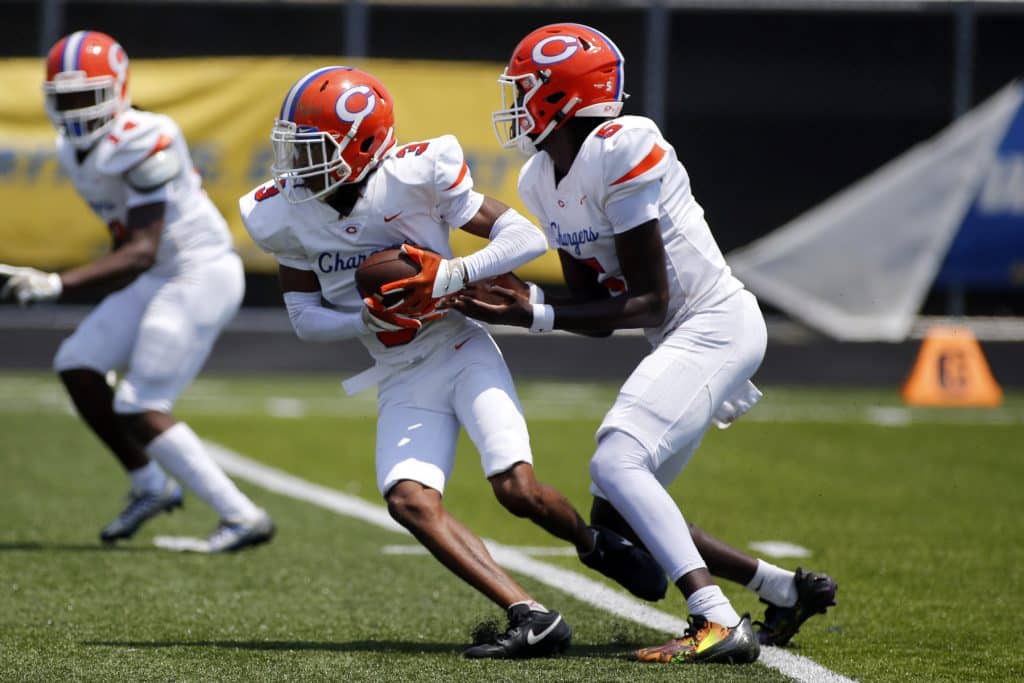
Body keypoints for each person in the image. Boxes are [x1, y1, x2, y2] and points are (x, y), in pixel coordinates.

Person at [239, 65, 663, 659]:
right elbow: (305, 316)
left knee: (516, 490)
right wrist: (368, 320)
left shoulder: (416, 172)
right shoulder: (283, 213)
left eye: (314, 148)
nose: (297, 164)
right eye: (294, 147)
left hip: (460, 349)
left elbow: (524, 239)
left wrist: (450, 274)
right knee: (409, 501)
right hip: (399, 371)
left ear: (363, 144)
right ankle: (531, 615)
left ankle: (590, 541)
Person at [446, 23, 837, 663]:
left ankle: (714, 620)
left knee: (616, 460)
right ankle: (784, 589)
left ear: (562, 94)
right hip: (679, 333)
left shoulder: (623, 144)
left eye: (526, 89)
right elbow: (597, 313)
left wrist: (533, 311)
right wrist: (524, 306)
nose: (515, 104)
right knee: (620, 515)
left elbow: (650, 298)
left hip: (714, 321)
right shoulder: (541, 177)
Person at [0, 31, 274, 553]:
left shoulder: (148, 136)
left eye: (89, 96)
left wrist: (57, 284)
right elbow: (127, 242)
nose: (78, 112)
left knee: (140, 402)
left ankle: (242, 517)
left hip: (198, 271)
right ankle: (151, 485)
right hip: (159, 274)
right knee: (78, 363)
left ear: (119, 89)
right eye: (67, 100)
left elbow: (143, 248)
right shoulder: (74, 149)